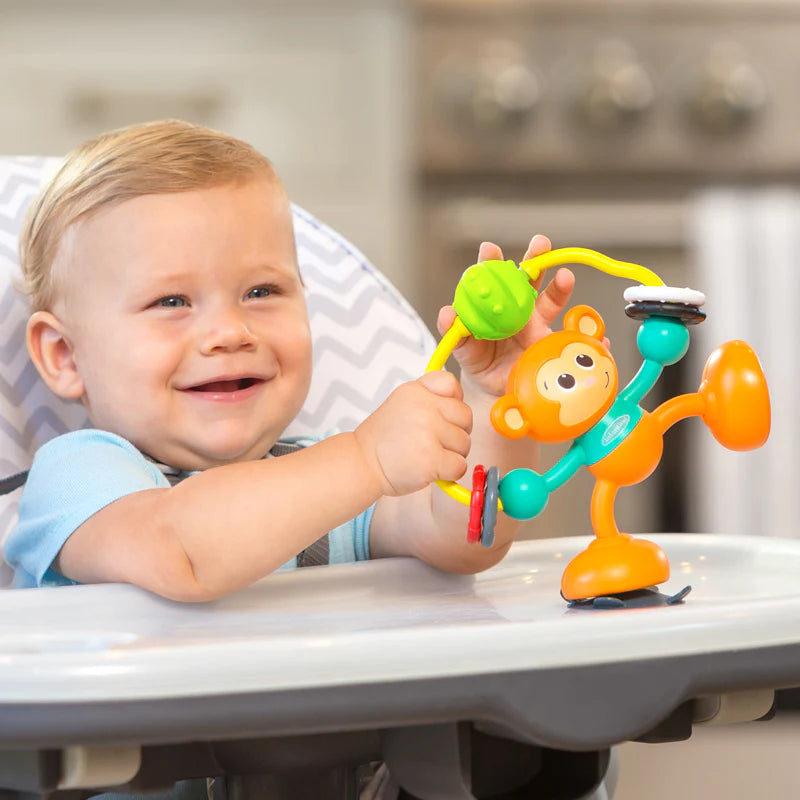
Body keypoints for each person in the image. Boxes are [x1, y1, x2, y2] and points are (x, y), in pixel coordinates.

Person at [5, 119, 575, 601]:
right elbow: (181, 550)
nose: (230, 331)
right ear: (64, 356)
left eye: (261, 292)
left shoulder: (327, 479)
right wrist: (363, 458)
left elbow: (464, 538)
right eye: (171, 302)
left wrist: (496, 401)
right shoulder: (77, 479)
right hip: (133, 737)